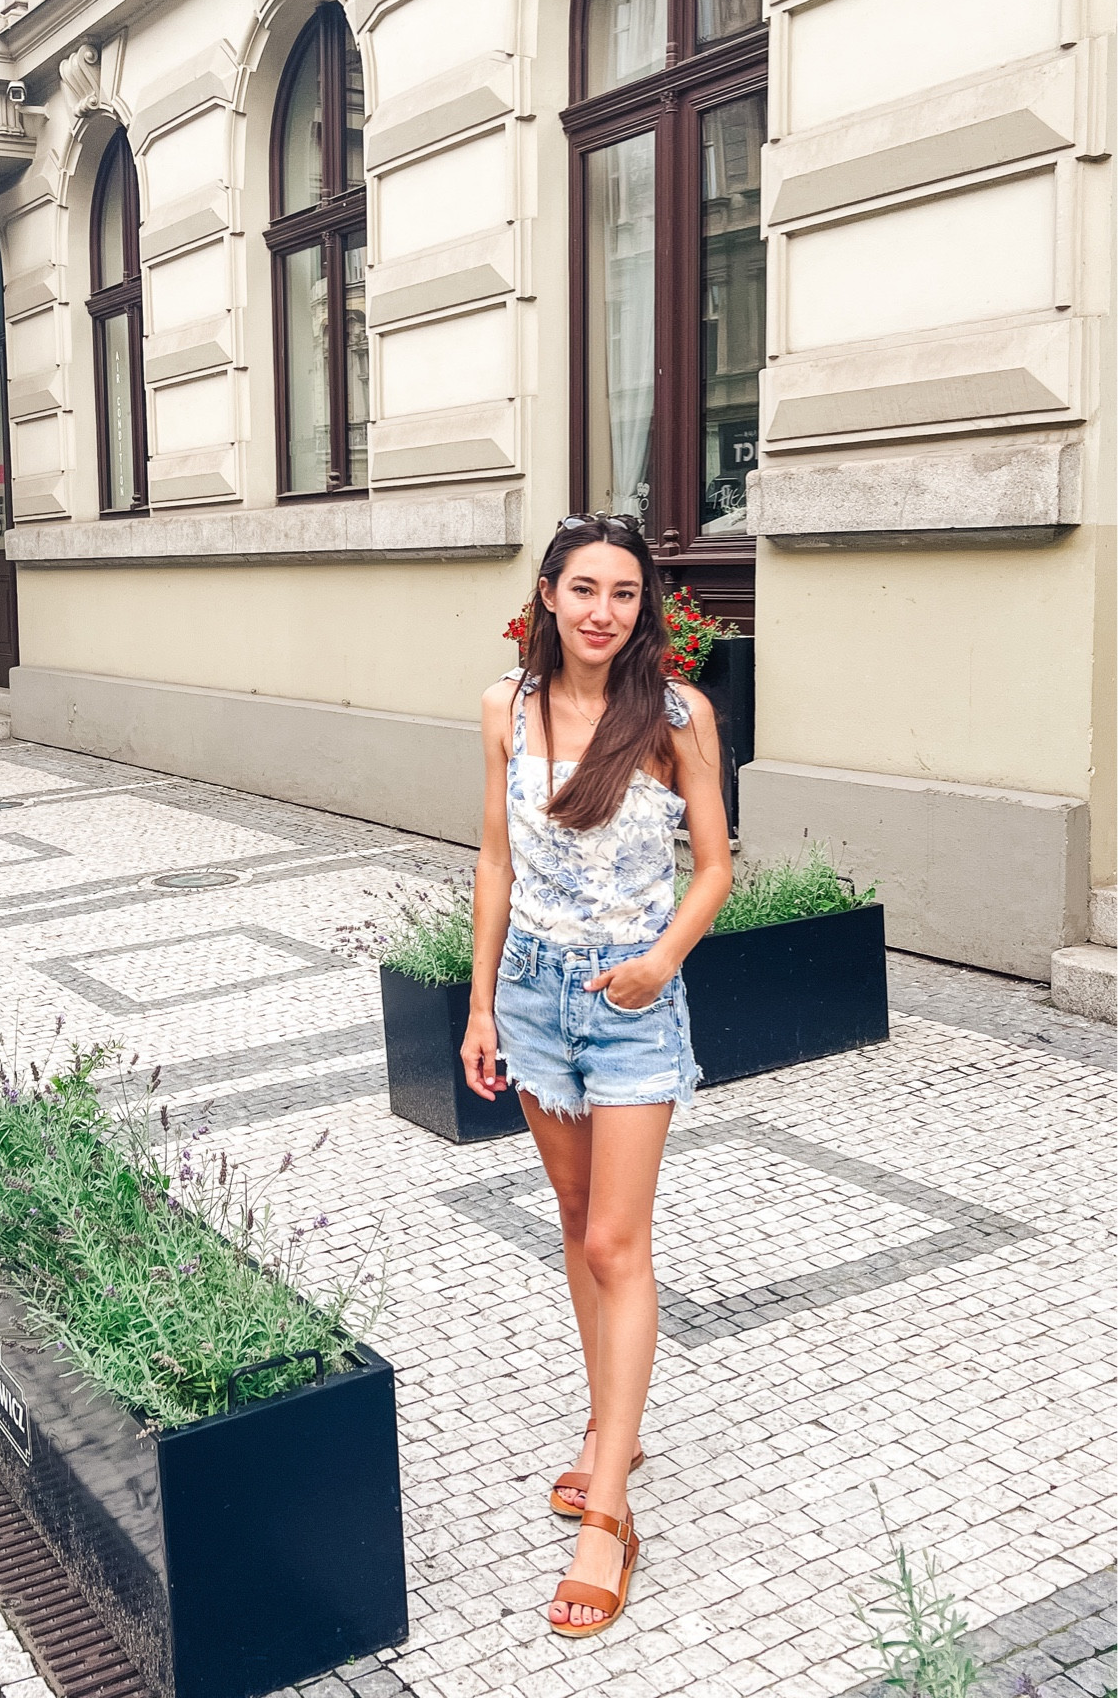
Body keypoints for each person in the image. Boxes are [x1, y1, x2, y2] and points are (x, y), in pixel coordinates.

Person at [461, 514, 733, 1637]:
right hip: (529, 991)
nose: (602, 611)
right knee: (575, 1222)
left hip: (629, 1005)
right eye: (584, 588)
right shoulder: (505, 709)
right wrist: (479, 1003)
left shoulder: (676, 717)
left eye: (625, 593)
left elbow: (714, 866)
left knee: (619, 1241)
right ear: (549, 594)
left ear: (648, 609)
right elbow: (492, 854)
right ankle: (604, 1428)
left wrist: (657, 961)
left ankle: (607, 1508)